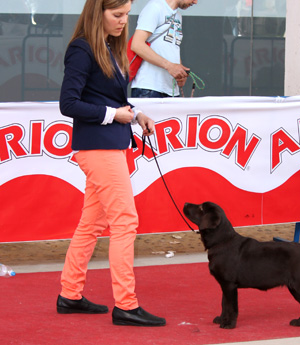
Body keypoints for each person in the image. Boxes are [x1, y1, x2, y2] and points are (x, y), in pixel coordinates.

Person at [58, 0, 165, 327]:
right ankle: (126, 305)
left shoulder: (106, 47)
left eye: (126, 14)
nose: (124, 21)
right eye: (117, 14)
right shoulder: (82, 49)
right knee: (125, 222)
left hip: (109, 144)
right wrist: (114, 115)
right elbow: (68, 103)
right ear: (98, 12)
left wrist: (136, 114)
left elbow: (109, 99)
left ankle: (70, 294)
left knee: (92, 223)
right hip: (98, 147)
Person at [130, 0, 198, 98]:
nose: (195, 2)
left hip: (170, 89)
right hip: (149, 88)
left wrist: (179, 70)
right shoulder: (155, 7)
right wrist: (170, 66)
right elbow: (137, 45)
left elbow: (172, 47)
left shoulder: (178, 15)